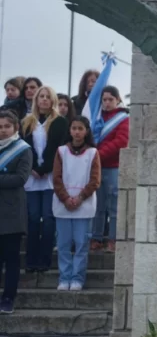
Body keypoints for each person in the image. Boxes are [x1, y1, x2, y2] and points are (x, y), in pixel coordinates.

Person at [21, 86, 68, 273]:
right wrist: (32, 168)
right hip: (32, 177)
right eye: (41, 96)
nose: (44, 100)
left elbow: (57, 147)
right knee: (33, 218)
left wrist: (45, 168)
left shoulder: (59, 122)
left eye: (48, 97)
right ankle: (31, 260)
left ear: (53, 100)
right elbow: (26, 146)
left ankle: (45, 260)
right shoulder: (26, 121)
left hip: (49, 176)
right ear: (36, 99)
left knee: (48, 218)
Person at [52, 116, 101, 291]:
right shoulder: (61, 151)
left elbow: (95, 180)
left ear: (86, 131)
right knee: (64, 244)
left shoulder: (93, 153)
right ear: (70, 131)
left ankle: (77, 278)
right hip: (62, 203)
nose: (77, 132)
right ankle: (64, 277)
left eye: (81, 128)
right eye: (74, 128)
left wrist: (80, 198)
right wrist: (65, 198)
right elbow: (56, 178)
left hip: (84, 204)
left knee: (81, 244)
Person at [0, 110, 33, 313]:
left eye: (6, 126)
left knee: (11, 259)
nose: (2, 130)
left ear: (15, 128)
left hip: (12, 214)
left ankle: (8, 298)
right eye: (0, 127)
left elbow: (20, 179)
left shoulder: (23, 150)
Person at [90, 86, 129, 253]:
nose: (106, 103)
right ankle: (96, 238)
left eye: (110, 99)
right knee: (97, 205)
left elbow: (121, 141)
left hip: (113, 167)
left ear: (117, 100)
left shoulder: (123, 118)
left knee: (113, 206)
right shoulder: (96, 117)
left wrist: (98, 155)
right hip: (97, 167)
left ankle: (112, 239)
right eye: (104, 100)